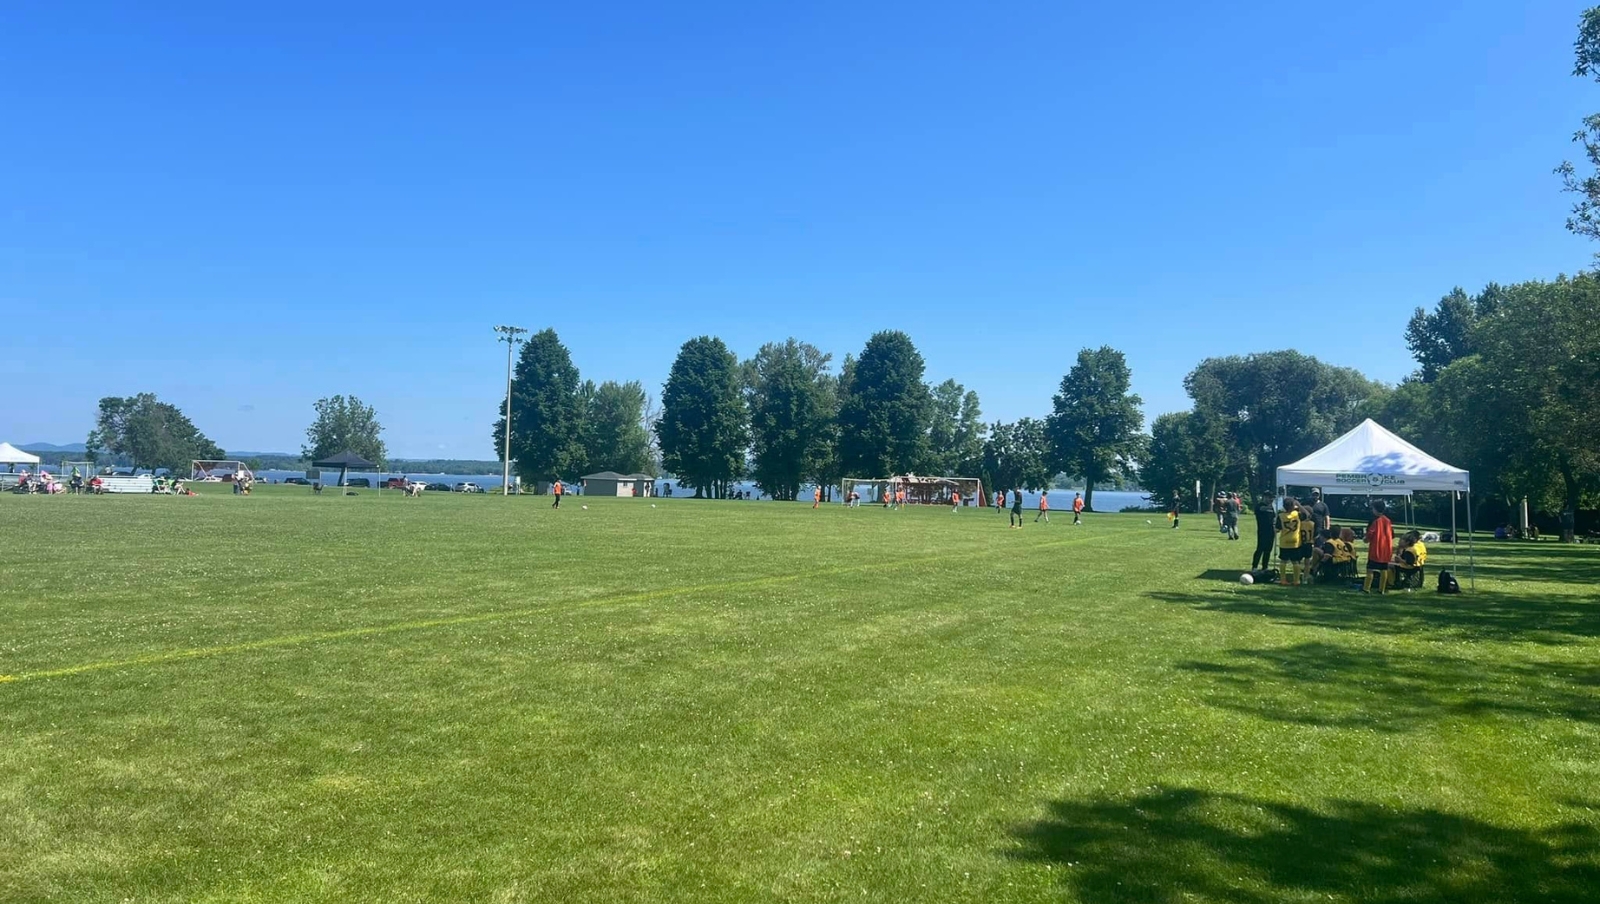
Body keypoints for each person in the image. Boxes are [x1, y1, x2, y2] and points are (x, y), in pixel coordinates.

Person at [1364, 499, 1394, 594]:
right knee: (1383, 569)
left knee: (1370, 569)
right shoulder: (1388, 521)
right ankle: (1382, 589)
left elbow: (1370, 534)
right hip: (1386, 550)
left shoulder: (1376, 521)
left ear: (1376, 509)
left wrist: (1366, 539)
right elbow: (1392, 534)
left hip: (1376, 549)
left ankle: (1366, 588)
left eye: (1373, 508)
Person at [1276, 497, 1304, 586]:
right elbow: (1307, 515)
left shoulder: (1280, 516)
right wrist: (1299, 505)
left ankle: (1283, 580)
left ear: (1284, 506)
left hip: (1284, 542)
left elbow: (1277, 529)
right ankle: (1296, 580)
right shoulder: (1297, 514)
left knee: (1283, 561)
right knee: (1295, 562)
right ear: (1293, 506)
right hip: (1295, 542)